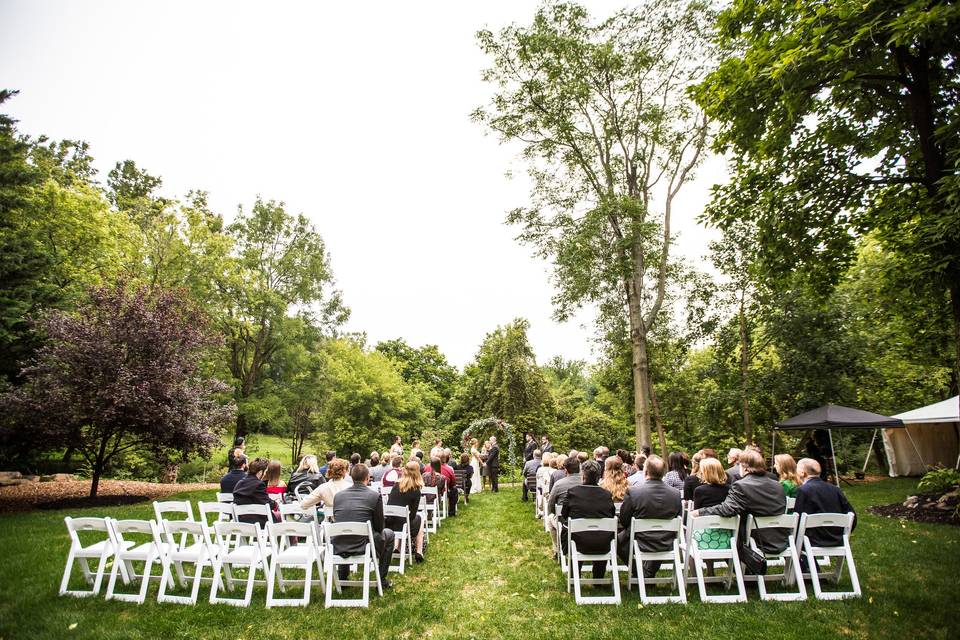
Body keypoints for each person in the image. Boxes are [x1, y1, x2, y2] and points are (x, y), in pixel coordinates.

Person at [693, 449, 788, 554]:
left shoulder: (741, 485)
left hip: (754, 541)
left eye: (739, 466)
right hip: (781, 539)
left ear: (746, 469)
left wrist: (700, 512)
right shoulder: (778, 485)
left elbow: (727, 509)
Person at [617, 455, 682, 578]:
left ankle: (639, 572)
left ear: (645, 471)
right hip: (666, 541)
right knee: (659, 536)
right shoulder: (675, 493)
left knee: (616, 541)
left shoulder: (633, 491)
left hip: (640, 539)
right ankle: (649, 573)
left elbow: (624, 520)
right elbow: (678, 518)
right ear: (663, 473)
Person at [331, 463, 394, 590]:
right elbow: (379, 526)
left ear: (352, 477)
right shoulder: (374, 496)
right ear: (367, 478)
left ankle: (343, 578)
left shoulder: (338, 496)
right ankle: (381, 580)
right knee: (389, 534)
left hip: (339, 544)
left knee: (346, 532)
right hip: (363, 546)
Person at [562, 460, 615, 579]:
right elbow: (611, 515)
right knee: (601, 533)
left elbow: (564, 514)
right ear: (598, 476)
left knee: (571, 532)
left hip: (577, 543)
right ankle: (598, 576)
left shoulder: (573, 492)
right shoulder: (606, 495)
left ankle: (574, 575)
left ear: (583, 475)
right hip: (603, 544)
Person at [794, 458, 857, 547]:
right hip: (838, 538)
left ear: (802, 473)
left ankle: (802, 560)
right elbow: (852, 516)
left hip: (812, 540)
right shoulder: (836, 489)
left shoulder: (804, 490)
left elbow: (798, 519)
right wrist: (844, 535)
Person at [387, 460, 425, 563]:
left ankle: (398, 547)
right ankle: (419, 550)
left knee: (404, 518)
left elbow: (389, 505)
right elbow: (412, 515)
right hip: (403, 524)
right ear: (417, 472)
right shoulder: (416, 490)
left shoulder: (396, 485)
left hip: (390, 522)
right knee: (420, 518)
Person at [692, 457, 733, 554]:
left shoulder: (699, 490)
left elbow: (696, 513)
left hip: (703, 538)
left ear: (705, 473)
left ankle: (705, 569)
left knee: (691, 543)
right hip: (726, 536)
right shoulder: (730, 489)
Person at [546, 456, 582, 558]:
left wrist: (552, 512)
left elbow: (550, 506)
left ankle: (557, 550)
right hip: (585, 519)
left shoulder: (559, 484)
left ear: (565, 470)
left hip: (565, 522)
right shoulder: (586, 482)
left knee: (549, 519)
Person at [232, 457, 279, 527]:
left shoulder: (240, 482)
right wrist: (276, 503)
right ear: (260, 472)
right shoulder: (258, 484)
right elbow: (267, 504)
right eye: (265, 472)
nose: (265, 474)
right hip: (258, 522)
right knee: (280, 519)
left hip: (241, 521)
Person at [440, 450, 458, 516]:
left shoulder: (427, 467)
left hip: (428, 494)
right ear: (444, 459)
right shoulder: (449, 469)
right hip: (443, 492)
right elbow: (453, 483)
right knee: (454, 490)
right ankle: (451, 512)